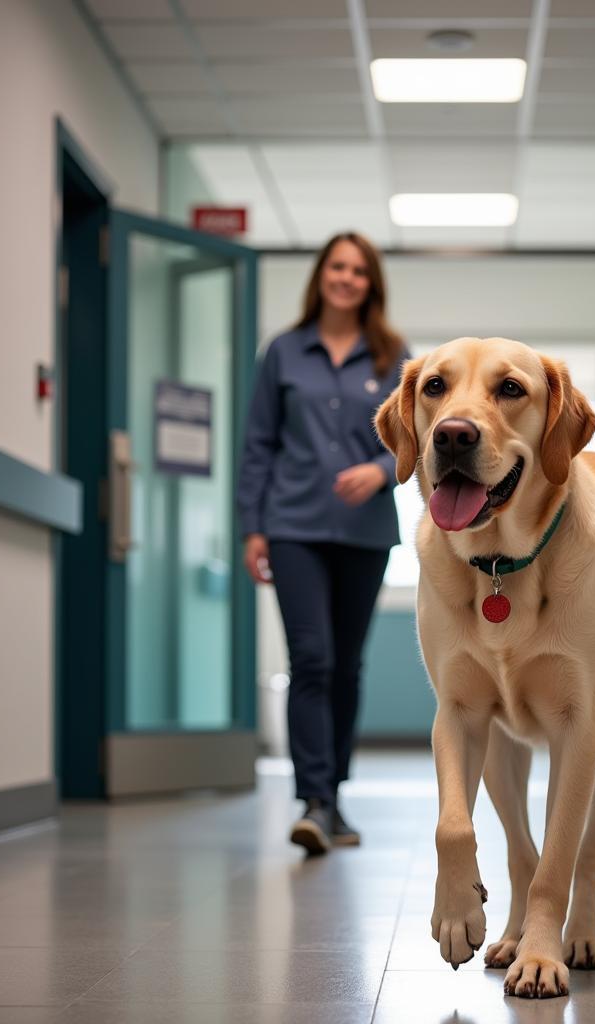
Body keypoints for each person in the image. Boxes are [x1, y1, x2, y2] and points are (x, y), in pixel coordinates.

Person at [237, 232, 407, 855]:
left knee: (346, 666)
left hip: (364, 532)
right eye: (337, 266)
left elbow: (413, 437)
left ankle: (332, 792)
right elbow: (259, 443)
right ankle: (313, 800)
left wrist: (381, 470)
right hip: (293, 527)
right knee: (311, 658)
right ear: (321, 275)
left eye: (358, 270)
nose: (346, 277)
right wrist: (252, 526)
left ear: (371, 283)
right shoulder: (284, 352)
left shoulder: (391, 354)